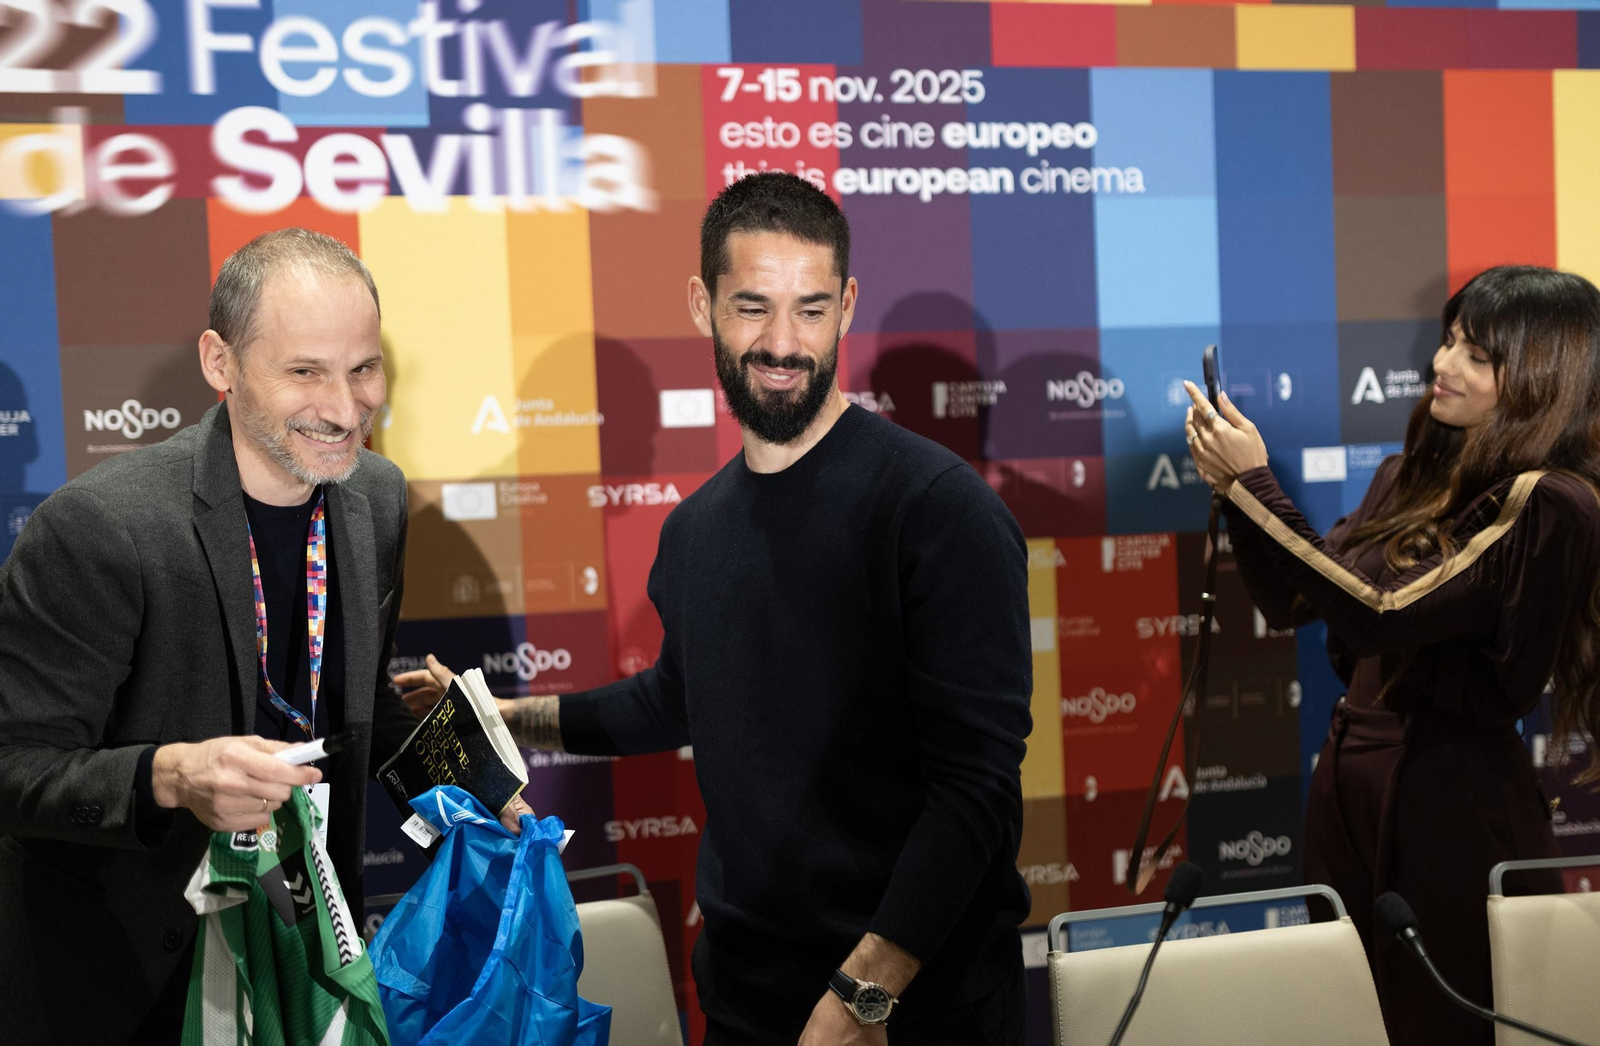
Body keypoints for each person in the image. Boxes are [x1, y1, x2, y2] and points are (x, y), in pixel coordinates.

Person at [403, 172, 1034, 1044]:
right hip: (746, 997)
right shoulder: (695, 530)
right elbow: (675, 698)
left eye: (811, 309)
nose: (783, 342)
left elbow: (979, 791)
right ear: (702, 306)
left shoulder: (936, 509)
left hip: (911, 1006)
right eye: (752, 307)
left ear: (848, 306)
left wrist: (865, 994)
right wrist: (504, 717)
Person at [0, 228, 530, 1045]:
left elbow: (351, 701)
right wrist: (169, 775)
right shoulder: (104, 528)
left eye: (363, 369)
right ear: (221, 363)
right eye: (304, 371)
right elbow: (15, 764)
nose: (344, 407)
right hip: (132, 974)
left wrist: (473, 787)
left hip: (309, 951)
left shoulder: (376, 496)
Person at [1182, 264, 1600, 1046]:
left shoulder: (1549, 500)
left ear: (1545, 373)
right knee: (1347, 1016)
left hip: (1447, 796)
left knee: (1445, 1020)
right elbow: (1297, 601)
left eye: (1477, 354)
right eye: (1449, 341)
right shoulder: (1406, 476)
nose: (1442, 365)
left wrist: (1255, 484)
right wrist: (1235, 494)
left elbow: (1378, 614)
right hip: (1351, 779)